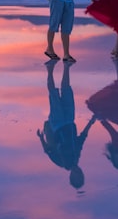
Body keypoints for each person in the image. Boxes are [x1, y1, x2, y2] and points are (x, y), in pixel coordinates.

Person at [36, 59, 96, 189]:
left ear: (72, 177)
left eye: (77, 176)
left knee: (53, 94)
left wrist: (41, 138)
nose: (80, 173)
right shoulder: (76, 157)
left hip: (58, 124)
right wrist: (91, 122)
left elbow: (48, 150)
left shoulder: (62, 162)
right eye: (81, 175)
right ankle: (66, 67)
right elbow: (82, 137)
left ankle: (50, 69)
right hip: (69, 120)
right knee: (67, 90)